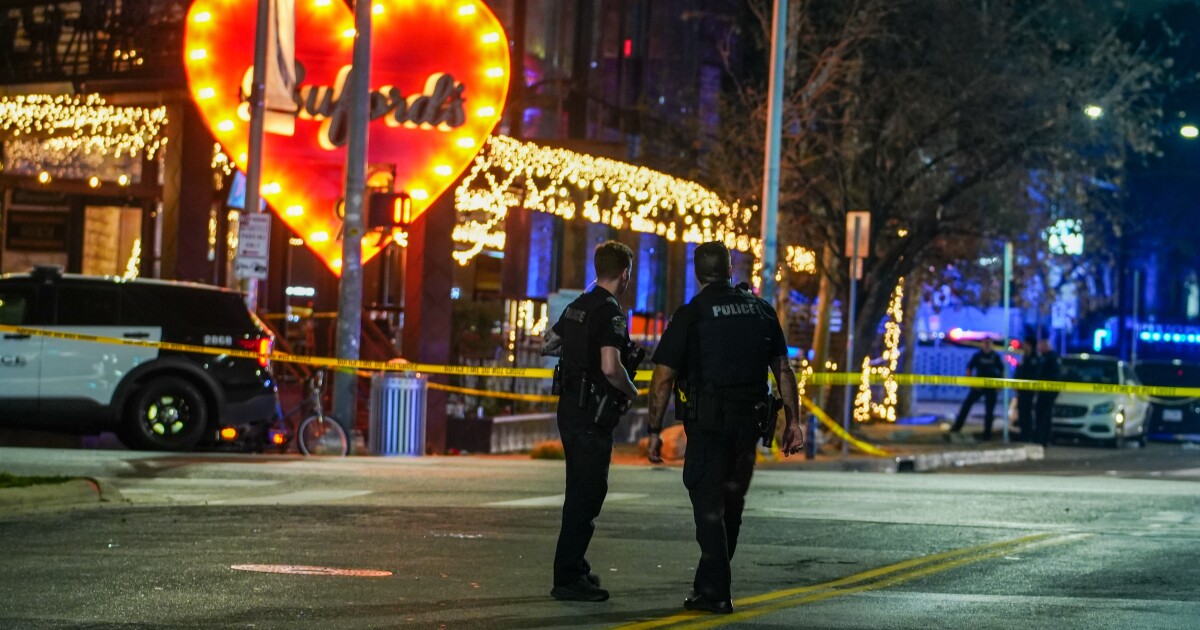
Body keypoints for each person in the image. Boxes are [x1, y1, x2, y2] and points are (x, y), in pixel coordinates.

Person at [644, 241, 804, 615]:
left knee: (707, 507)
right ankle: (708, 587)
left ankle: (717, 593)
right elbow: (783, 369)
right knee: (731, 507)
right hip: (749, 425)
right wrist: (792, 422)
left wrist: (654, 429)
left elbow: (663, 377)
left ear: (699, 273)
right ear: (730, 269)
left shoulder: (692, 314)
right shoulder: (761, 311)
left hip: (709, 425)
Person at [540, 241, 639, 602]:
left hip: (569, 408)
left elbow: (547, 344)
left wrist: (576, 351)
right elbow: (612, 367)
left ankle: (575, 567)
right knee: (587, 494)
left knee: (578, 490)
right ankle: (567, 578)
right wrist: (632, 391)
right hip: (592, 412)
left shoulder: (578, 305)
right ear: (625, 274)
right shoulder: (610, 312)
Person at [949, 340, 1005, 440]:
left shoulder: (995, 356)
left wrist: (1000, 385)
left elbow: (1002, 371)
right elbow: (969, 369)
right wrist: (971, 383)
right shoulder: (977, 355)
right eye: (985, 343)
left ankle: (987, 434)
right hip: (979, 385)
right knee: (967, 405)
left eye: (989, 344)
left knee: (989, 411)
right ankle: (957, 427)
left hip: (991, 386)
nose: (987, 346)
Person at [1033, 336, 1060, 446]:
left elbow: (1054, 376)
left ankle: (1044, 439)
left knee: (1045, 416)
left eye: (1040, 345)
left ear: (1045, 346)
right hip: (1042, 391)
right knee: (1040, 414)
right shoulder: (1043, 357)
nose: (1038, 348)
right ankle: (1039, 438)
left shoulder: (1052, 357)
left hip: (1048, 392)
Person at [1014, 336, 1038, 442]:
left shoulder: (1035, 359)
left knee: (1028, 414)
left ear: (1030, 345)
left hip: (1030, 391)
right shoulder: (1024, 356)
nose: (1023, 346)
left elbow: (1034, 375)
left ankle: (1027, 436)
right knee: (1022, 413)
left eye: (1026, 344)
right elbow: (1020, 371)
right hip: (1022, 390)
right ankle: (1023, 434)